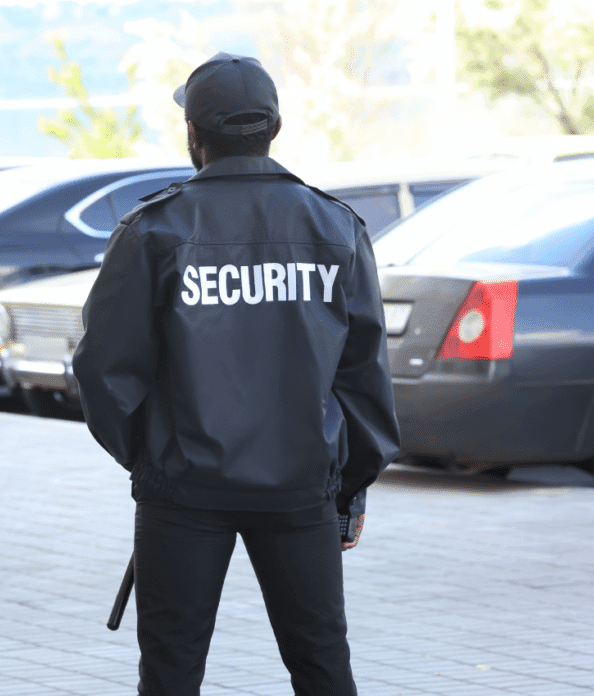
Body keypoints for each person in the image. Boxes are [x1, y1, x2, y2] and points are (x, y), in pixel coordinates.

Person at [73, 52, 400, 696]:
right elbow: (364, 375)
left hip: (182, 490)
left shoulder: (153, 230)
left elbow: (103, 371)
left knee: (170, 670)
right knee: (321, 664)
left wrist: (154, 456)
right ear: (275, 128)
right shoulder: (336, 227)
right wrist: (349, 484)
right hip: (302, 487)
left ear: (194, 135)